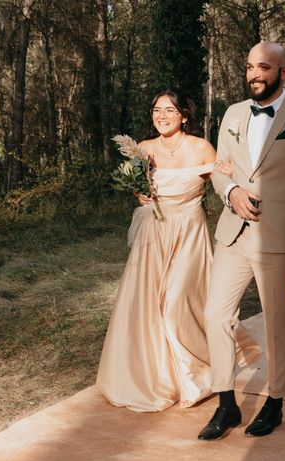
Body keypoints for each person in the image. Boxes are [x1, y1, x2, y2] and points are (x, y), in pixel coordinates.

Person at [197, 42, 285, 439]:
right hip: (233, 234)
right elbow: (220, 169)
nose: (255, 74)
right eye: (250, 67)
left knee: (278, 325)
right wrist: (230, 191)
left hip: (282, 239)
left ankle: (275, 403)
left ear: (284, 72)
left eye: (264, 68)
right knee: (215, 315)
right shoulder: (233, 114)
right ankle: (226, 404)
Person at [96, 88, 260, 412]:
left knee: (175, 304)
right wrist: (139, 196)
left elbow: (226, 181)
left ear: (184, 115)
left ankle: (200, 374)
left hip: (188, 232)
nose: (162, 116)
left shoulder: (201, 148)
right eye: (157, 110)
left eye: (170, 110)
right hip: (153, 233)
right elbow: (138, 188)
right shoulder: (143, 149)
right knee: (149, 307)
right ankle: (162, 379)